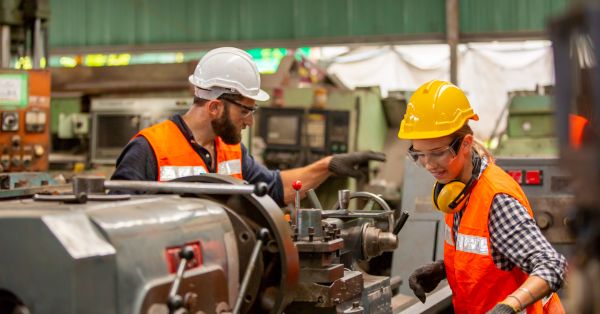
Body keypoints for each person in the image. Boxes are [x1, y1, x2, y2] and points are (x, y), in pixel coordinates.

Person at [111, 47, 385, 206]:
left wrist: (328, 165)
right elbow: (113, 221)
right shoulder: (149, 149)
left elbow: (277, 189)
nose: (250, 120)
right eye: (245, 110)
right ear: (214, 107)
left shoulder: (230, 151)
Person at [399, 80, 566, 313]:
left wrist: (509, 307)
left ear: (466, 144)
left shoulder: (496, 199)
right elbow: (486, 254)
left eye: (437, 153)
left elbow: (552, 265)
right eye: (419, 154)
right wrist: (443, 269)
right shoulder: (455, 192)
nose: (428, 164)